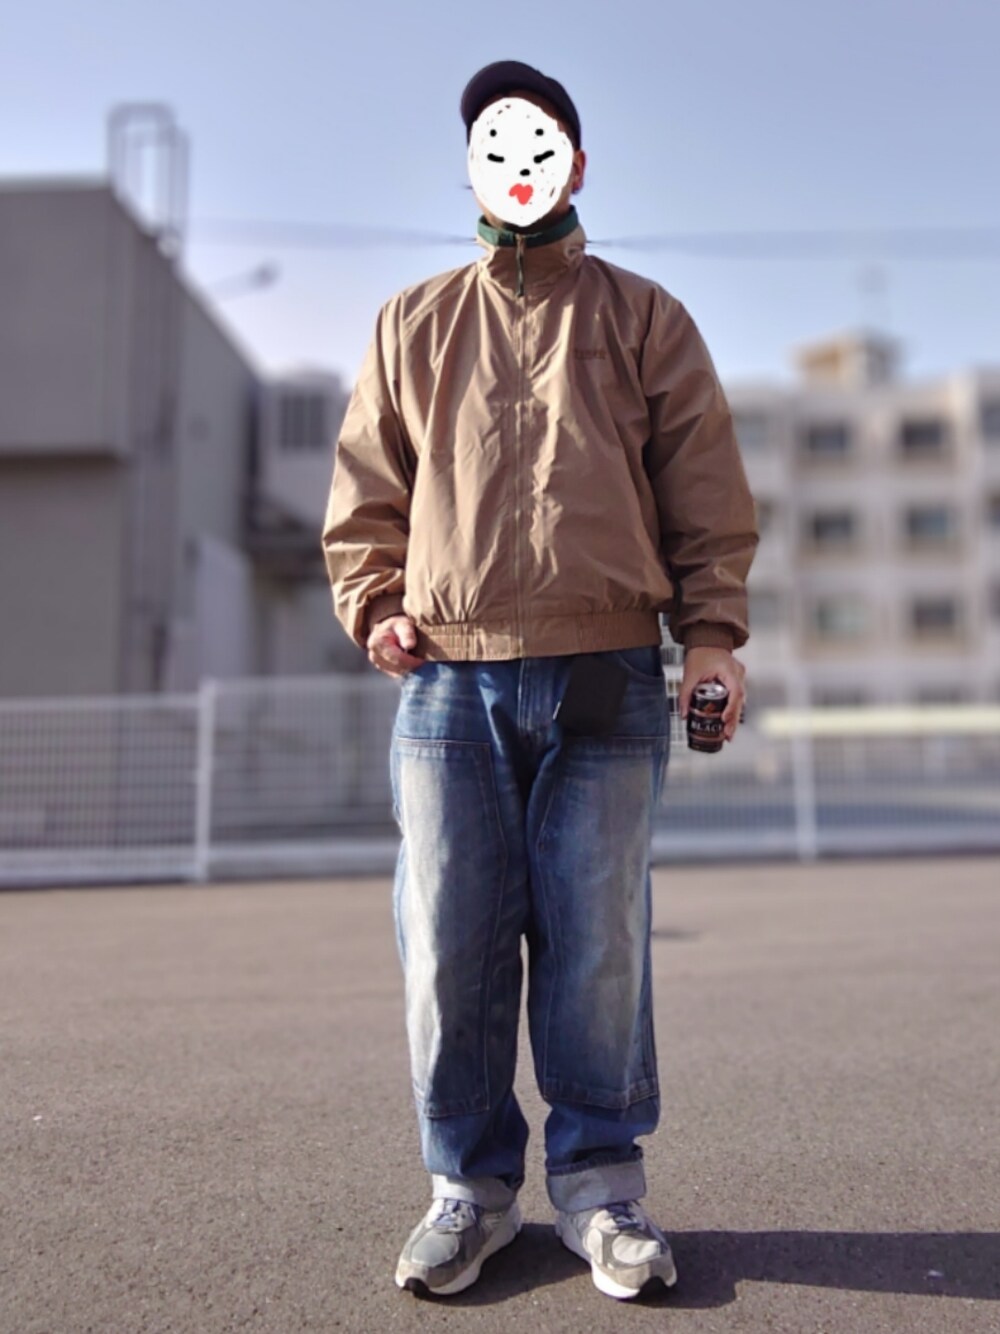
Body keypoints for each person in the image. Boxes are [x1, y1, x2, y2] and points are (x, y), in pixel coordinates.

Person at [322, 59, 757, 1302]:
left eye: (540, 142)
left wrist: (712, 634)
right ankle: (468, 1187)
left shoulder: (643, 316)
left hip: (609, 666)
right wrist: (375, 602)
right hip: (448, 678)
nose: (518, 165)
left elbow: (703, 485)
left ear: (575, 163)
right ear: (471, 170)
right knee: (446, 941)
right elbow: (367, 491)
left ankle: (601, 1189)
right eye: (495, 146)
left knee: (597, 939)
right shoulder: (413, 322)